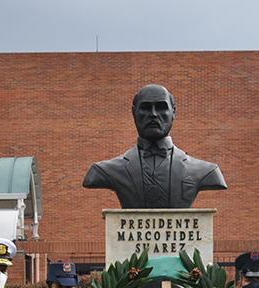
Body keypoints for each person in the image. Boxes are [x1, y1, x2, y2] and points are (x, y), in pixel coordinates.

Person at [82, 84, 227, 209]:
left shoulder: (207, 171)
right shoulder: (104, 170)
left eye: (161, 107)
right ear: (134, 113)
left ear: (173, 112)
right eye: (145, 108)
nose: (153, 114)